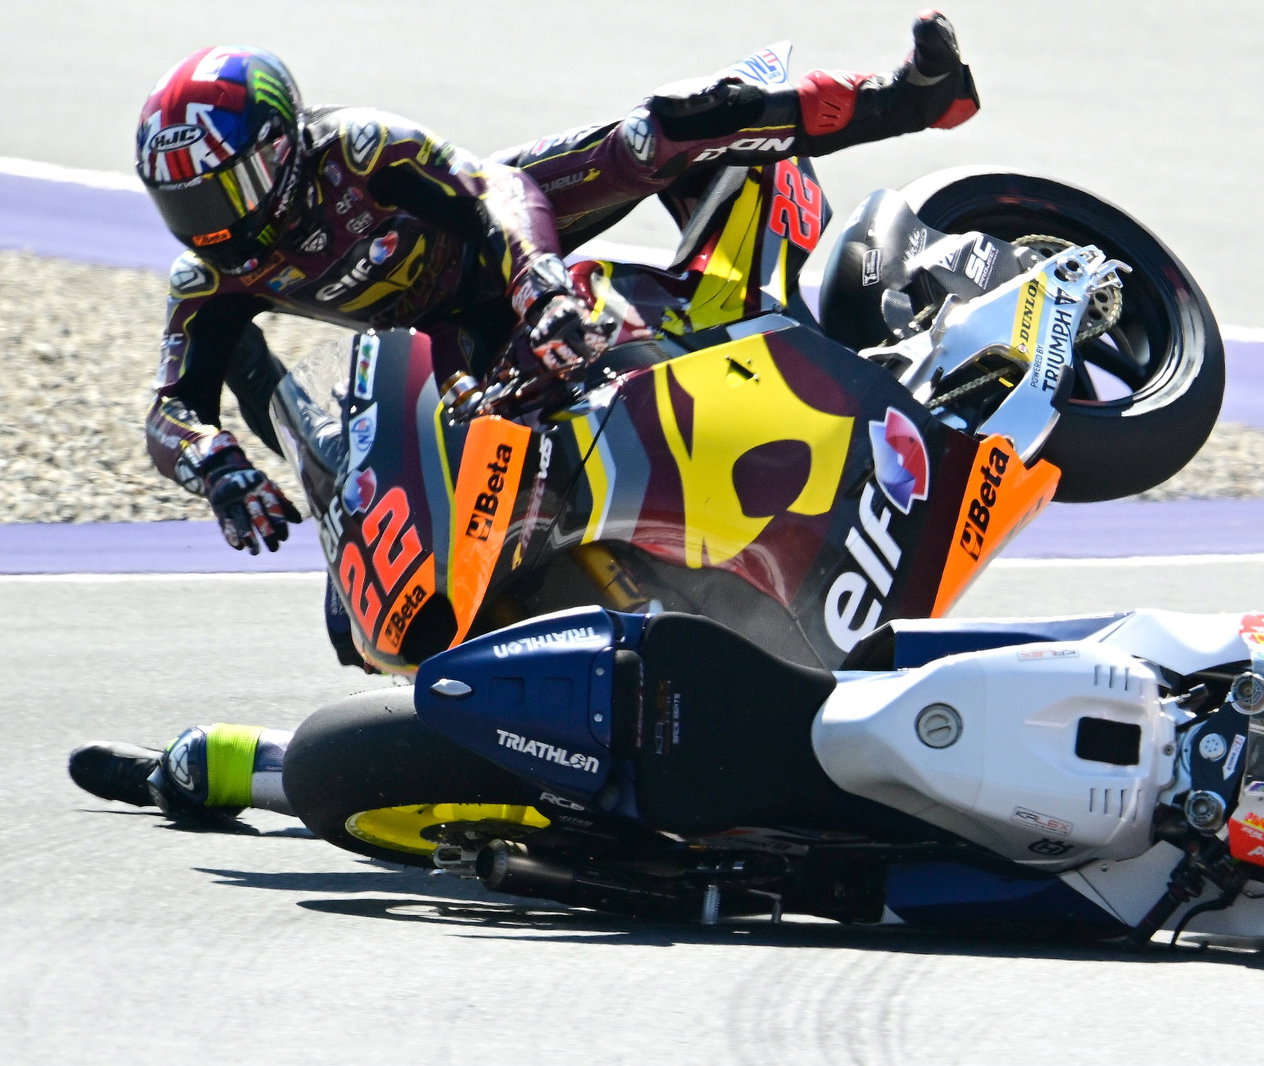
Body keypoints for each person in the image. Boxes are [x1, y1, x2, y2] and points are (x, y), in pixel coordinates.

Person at [70, 12, 979, 820]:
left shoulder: (356, 149)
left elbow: (492, 196)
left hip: (510, 245)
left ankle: (911, 95)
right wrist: (216, 466)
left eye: (222, 192)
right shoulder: (213, 274)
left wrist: (538, 284)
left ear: (280, 151)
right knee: (381, 603)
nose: (210, 222)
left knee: (662, 127)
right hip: (449, 339)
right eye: (183, 203)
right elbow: (170, 409)